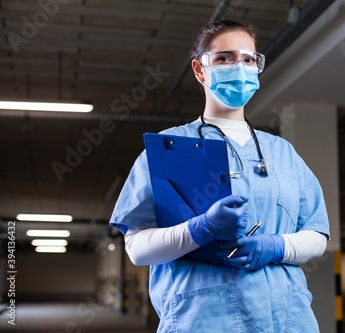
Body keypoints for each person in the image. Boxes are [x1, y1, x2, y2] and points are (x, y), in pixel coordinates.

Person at [110, 19, 330, 332]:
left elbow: (316, 236)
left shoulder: (283, 153)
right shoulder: (168, 149)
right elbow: (138, 249)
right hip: (200, 319)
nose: (239, 67)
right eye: (225, 58)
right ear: (200, 70)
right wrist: (201, 229)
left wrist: (275, 246)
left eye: (249, 59)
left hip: (286, 321)